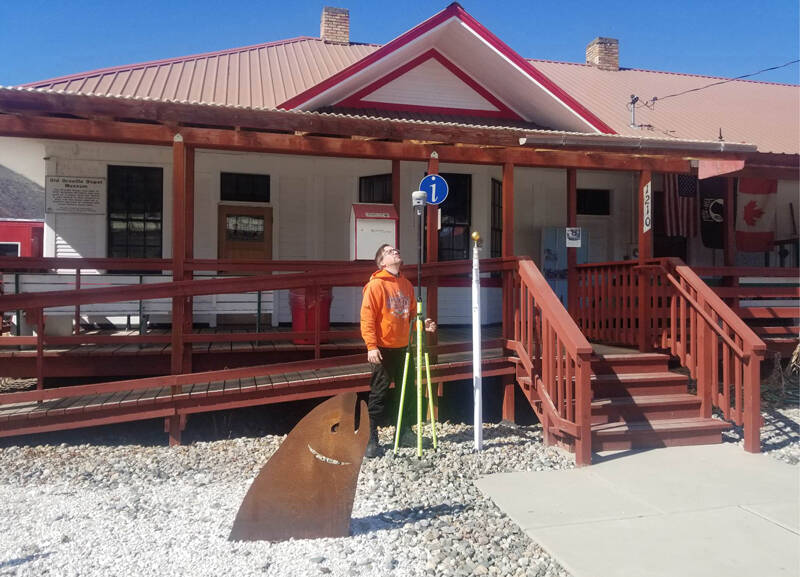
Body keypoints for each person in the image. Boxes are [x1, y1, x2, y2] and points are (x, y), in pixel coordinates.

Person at [360, 243, 436, 457]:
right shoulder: (375, 285)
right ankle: (370, 437)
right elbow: (367, 318)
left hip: (404, 348)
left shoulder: (407, 285)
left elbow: (413, 315)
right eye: (389, 251)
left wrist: (424, 324)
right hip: (382, 348)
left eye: (396, 250)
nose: (395, 252)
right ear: (382, 262)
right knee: (379, 393)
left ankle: (403, 432)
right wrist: (371, 346)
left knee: (407, 391)